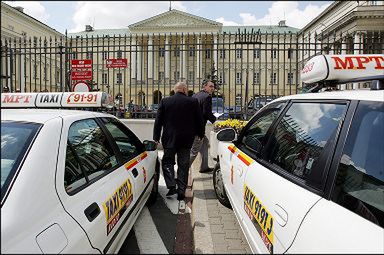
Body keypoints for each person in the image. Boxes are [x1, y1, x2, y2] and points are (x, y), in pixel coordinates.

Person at [153, 82, 204, 200]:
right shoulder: (192, 102)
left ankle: (171, 186)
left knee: (167, 162)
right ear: (184, 90)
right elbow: (199, 120)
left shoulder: (165, 101)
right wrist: (200, 133)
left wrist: (156, 137)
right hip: (186, 139)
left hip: (169, 139)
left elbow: (158, 121)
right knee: (183, 165)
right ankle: (181, 191)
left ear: (175, 90)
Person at [189, 79, 217, 173]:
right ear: (204, 86)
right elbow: (206, 113)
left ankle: (204, 167)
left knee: (205, 144)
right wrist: (215, 121)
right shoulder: (207, 97)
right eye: (210, 86)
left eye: (213, 86)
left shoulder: (195, 95)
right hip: (198, 129)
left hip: (192, 126)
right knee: (194, 152)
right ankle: (182, 170)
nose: (212, 88)